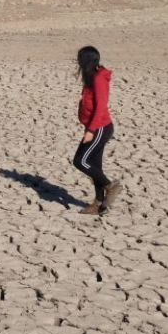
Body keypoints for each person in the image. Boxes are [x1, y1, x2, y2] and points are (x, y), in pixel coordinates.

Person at [73, 46, 120, 215]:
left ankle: (111, 186)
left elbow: (101, 107)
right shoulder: (91, 76)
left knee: (80, 161)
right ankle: (99, 205)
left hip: (100, 128)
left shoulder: (99, 79)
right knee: (95, 167)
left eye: (80, 58)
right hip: (94, 127)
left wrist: (91, 130)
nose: (77, 61)